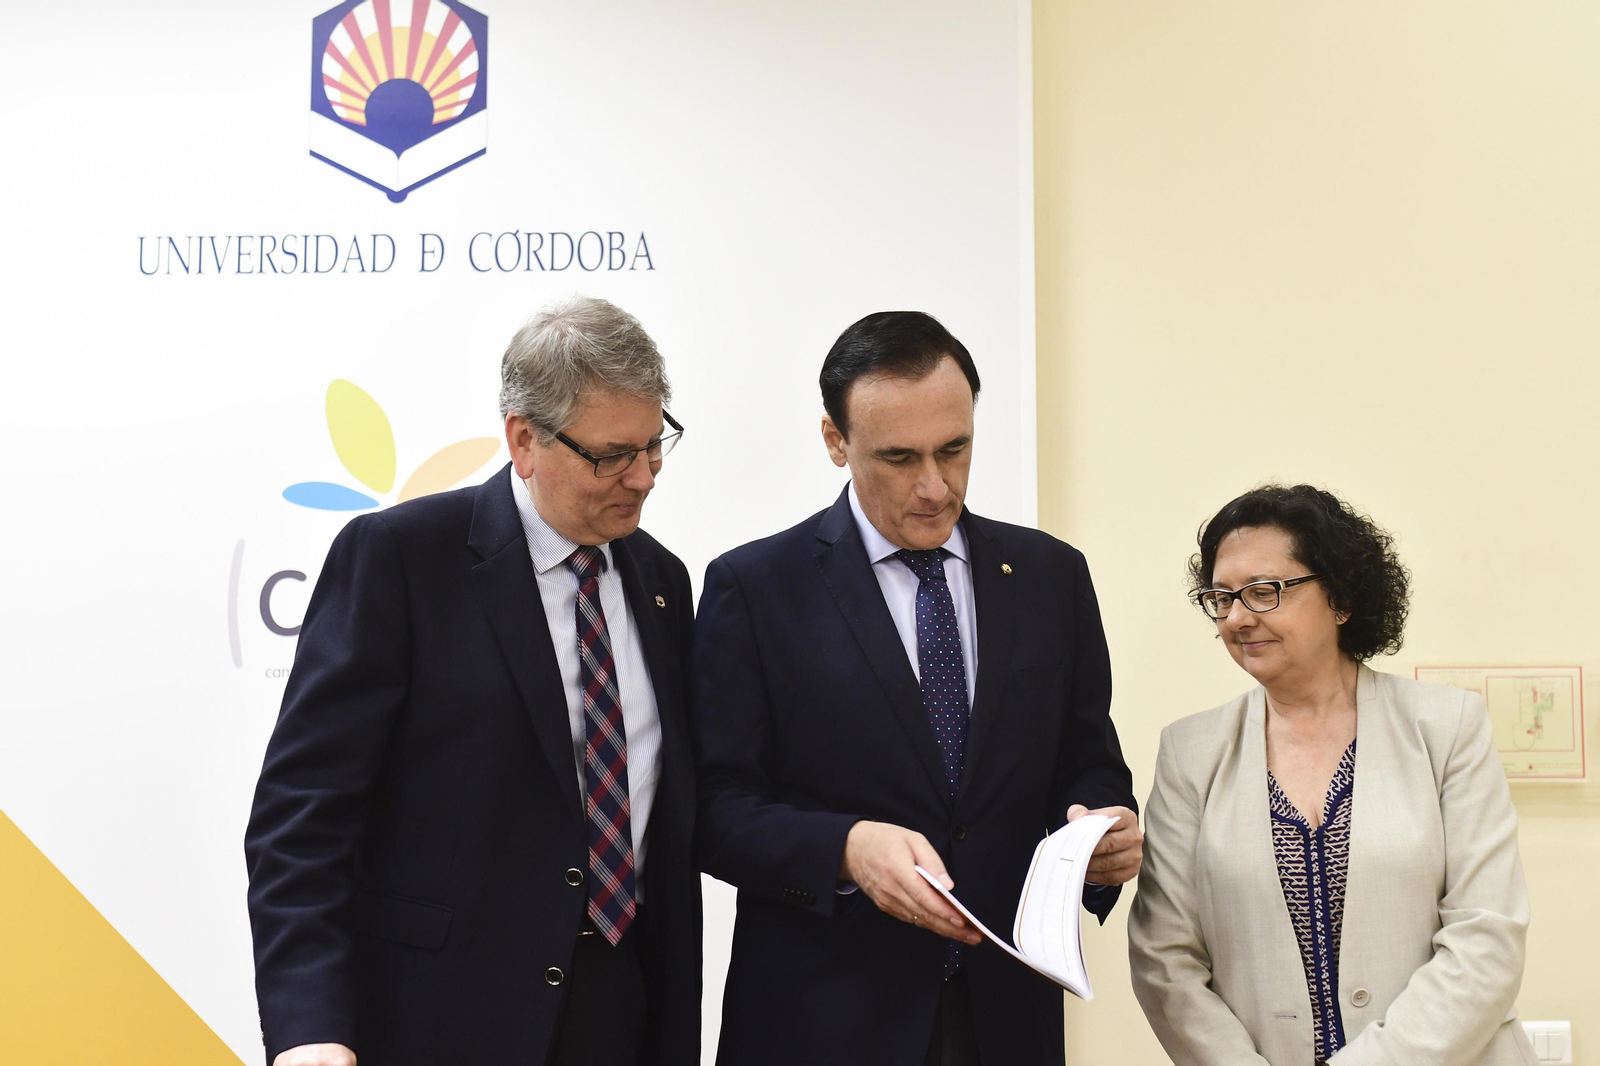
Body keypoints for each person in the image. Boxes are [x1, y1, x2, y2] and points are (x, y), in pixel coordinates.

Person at [244, 296, 701, 1066]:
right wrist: (309, 1025)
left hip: (623, 1013)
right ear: (524, 440)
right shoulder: (401, 559)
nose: (644, 477)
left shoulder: (661, 581)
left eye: (656, 445)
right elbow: (303, 819)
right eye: (612, 455)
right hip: (443, 1018)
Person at [690, 311, 1142, 1066]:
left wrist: (1102, 831)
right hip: (822, 1025)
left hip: (1008, 1017)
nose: (935, 486)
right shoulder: (756, 587)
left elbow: (1088, 761)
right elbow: (713, 807)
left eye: (955, 450)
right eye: (899, 457)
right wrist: (846, 849)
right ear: (836, 442)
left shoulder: (1049, 576)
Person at [1128, 484, 1536, 1066]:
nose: (1238, 618)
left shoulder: (1447, 727)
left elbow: (1486, 937)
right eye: (1220, 597)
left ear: (1341, 597)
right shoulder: (1189, 753)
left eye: (1264, 592)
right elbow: (1164, 958)